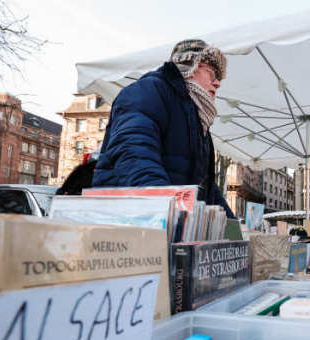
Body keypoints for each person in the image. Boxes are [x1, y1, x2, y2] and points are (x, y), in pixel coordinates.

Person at [92, 39, 234, 217]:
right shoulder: (148, 91)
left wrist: (234, 226)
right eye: (211, 74)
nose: (217, 83)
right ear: (189, 66)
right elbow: (133, 154)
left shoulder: (197, 121)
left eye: (219, 78)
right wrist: (168, 210)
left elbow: (207, 189)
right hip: (128, 220)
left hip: (168, 223)